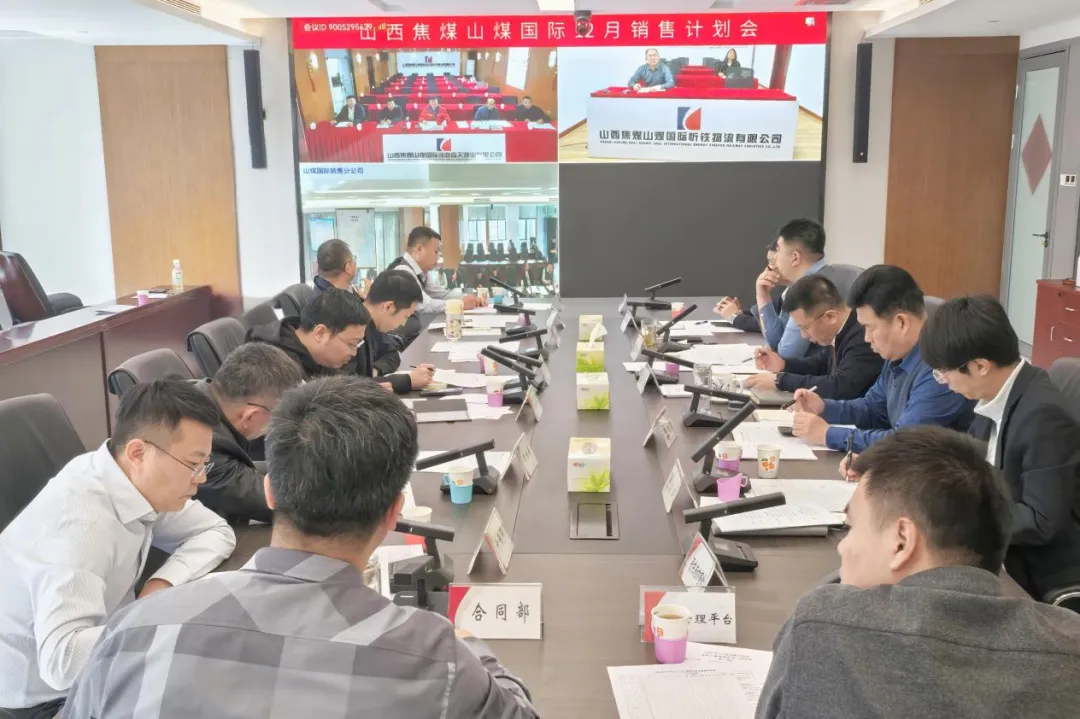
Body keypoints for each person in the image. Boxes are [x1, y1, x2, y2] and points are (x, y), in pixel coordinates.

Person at [65, 377, 540, 719]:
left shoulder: (133, 631)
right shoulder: (438, 660)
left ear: (270, 491)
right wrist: (463, 641)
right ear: (394, 512)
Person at [755, 426, 1080, 719]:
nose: (842, 547)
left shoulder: (821, 626)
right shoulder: (1070, 643)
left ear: (902, 542)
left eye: (851, 527)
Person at [0, 381, 236, 717]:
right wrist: (160, 617)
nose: (200, 479)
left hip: (102, 649)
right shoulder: (81, 526)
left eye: (204, 465)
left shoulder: (130, 479)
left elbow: (216, 531)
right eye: (192, 464)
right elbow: (62, 662)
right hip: (44, 699)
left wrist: (160, 586)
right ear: (138, 453)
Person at [921, 294, 1080, 600]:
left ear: (980, 365)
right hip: (1002, 555)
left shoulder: (1043, 416)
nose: (945, 383)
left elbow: (1041, 520)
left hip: (1034, 575)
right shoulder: (997, 396)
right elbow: (969, 462)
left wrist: (960, 519)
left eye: (944, 373)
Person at [789, 265, 973, 453]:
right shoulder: (897, 354)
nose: (866, 338)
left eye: (870, 328)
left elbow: (905, 443)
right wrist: (824, 407)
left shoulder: (940, 369)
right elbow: (873, 409)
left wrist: (827, 434)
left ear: (901, 323)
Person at [193, 343, 305, 525]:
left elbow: (245, 469)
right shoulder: (200, 443)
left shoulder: (203, 394)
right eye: (281, 417)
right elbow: (281, 504)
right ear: (250, 416)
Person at [746, 274, 882, 400]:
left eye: (805, 327)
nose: (804, 336)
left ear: (830, 317)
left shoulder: (863, 337)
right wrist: (783, 365)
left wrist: (781, 381)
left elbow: (841, 386)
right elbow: (820, 365)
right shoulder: (841, 330)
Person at [246, 288, 369, 379]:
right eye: (352, 344)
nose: (354, 353)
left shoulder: (312, 357)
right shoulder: (277, 370)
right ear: (320, 333)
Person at [758, 219, 828, 359]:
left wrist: (761, 297)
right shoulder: (814, 279)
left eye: (778, 250)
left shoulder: (812, 289)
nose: (775, 257)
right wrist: (763, 295)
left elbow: (787, 355)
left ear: (795, 258)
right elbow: (777, 339)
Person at [356, 271, 434, 393]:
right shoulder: (352, 328)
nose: (403, 324)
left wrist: (374, 371)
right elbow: (351, 386)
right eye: (405, 316)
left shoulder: (375, 325)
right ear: (388, 307)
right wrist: (407, 381)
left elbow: (393, 354)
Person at [388, 225, 485, 313]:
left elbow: (442, 295)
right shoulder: (402, 271)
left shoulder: (421, 272)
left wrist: (469, 299)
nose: (438, 257)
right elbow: (425, 305)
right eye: (436, 252)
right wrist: (460, 304)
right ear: (419, 249)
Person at [715, 239, 783, 334]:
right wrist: (740, 312)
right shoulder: (787, 292)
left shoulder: (799, 293)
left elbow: (770, 327)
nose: (768, 269)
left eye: (771, 262)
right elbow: (770, 313)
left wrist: (734, 316)